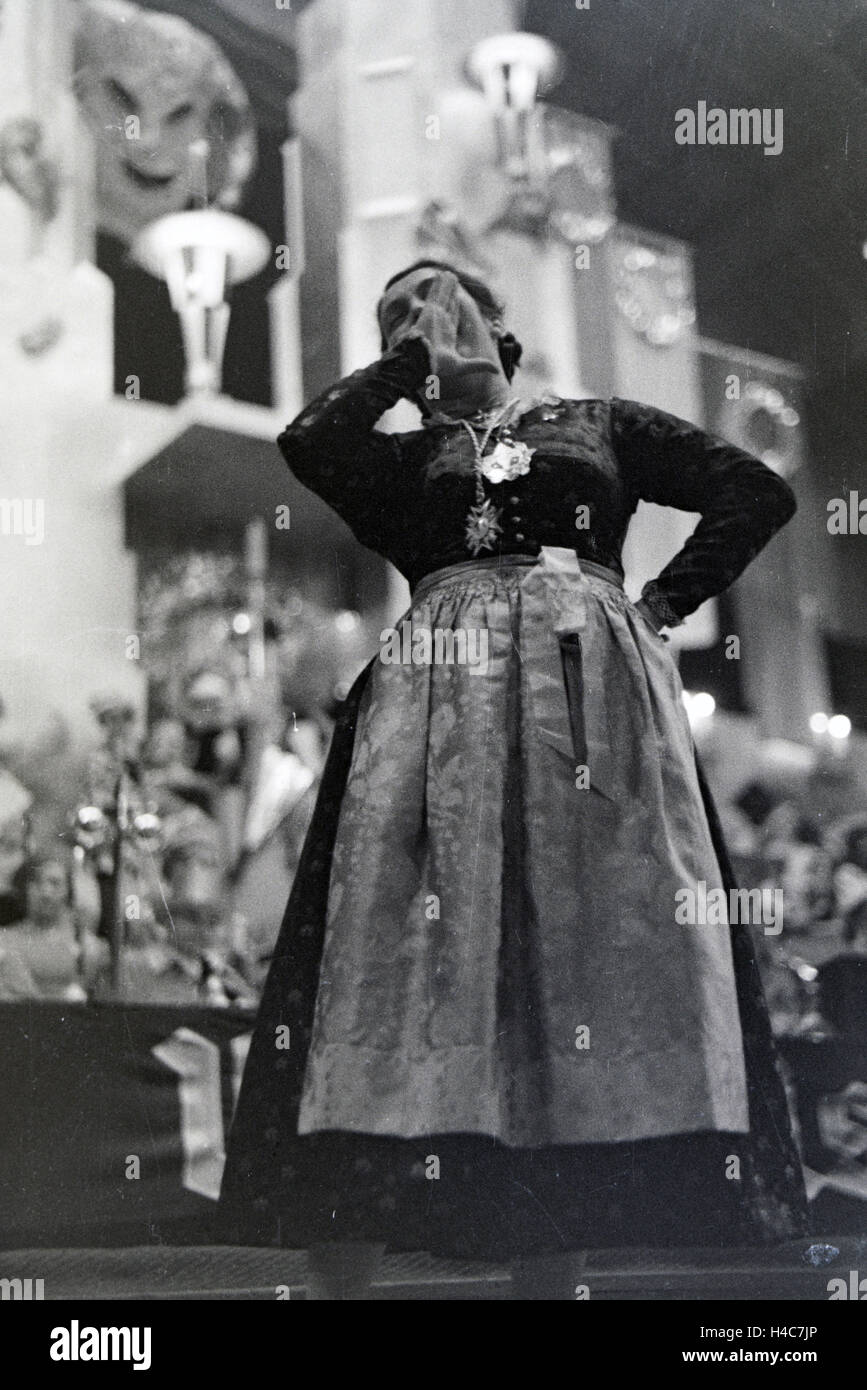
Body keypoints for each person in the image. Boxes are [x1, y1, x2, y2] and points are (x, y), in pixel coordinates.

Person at [218, 260, 807, 1299]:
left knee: (570, 969)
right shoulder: (400, 460)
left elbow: (756, 491)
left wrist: (661, 604)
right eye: (393, 312)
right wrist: (413, 358)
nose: (417, 318)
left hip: (586, 719)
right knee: (386, 965)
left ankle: (553, 1283)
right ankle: (336, 1289)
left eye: (440, 300)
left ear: (502, 326)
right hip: (427, 733)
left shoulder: (598, 423)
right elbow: (308, 440)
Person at [0, 852, 107, 1001]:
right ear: (24, 888)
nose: (46, 892)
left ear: (68, 891)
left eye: (55, 883)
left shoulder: (88, 947)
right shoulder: (4, 941)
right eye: (36, 882)